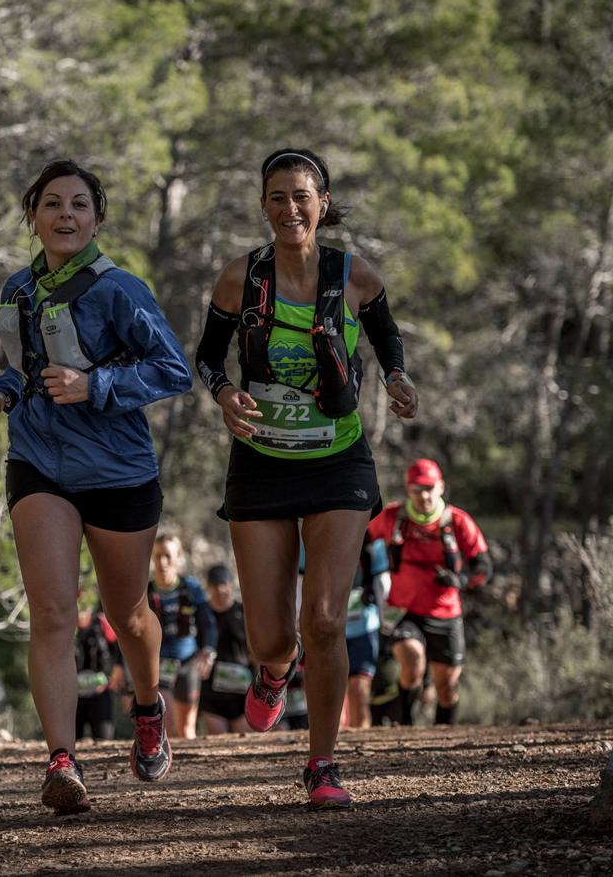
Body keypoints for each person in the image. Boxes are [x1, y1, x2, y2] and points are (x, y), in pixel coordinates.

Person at [193, 147, 418, 809]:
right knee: (273, 635)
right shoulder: (241, 278)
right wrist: (223, 393)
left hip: (338, 462)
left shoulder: (354, 276)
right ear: (263, 207)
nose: (290, 208)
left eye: (302, 196)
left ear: (322, 202)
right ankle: (273, 672)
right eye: (277, 197)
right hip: (261, 461)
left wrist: (398, 380)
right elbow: (208, 357)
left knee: (324, 619)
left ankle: (322, 763)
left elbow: (388, 344)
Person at [0, 159, 192, 815]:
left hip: (120, 470)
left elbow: (173, 370)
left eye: (79, 205)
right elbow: (26, 368)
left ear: (97, 218)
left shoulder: (121, 290)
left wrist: (95, 387)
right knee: (55, 612)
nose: (66, 215)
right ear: (32, 215)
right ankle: (62, 758)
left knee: (128, 616)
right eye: (52, 204)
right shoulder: (18, 287)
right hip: (39, 463)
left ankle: (147, 708)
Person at [367, 458, 491, 726]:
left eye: (429, 488)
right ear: (407, 489)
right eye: (416, 488)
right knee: (412, 663)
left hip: (446, 614)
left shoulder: (457, 522)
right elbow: (360, 539)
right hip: (404, 611)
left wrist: (461, 580)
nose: (423, 495)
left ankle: (442, 734)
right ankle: (406, 725)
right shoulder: (392, 518)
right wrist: (364, 582)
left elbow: (483, 566)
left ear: (441, 487)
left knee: (446, 688)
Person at [148, 535, 217, 739]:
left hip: (188, 662)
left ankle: (189, 769)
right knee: (167, 723)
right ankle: (166, 765)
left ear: (178, 558)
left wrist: (209, 650)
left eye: (168, 556)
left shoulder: (191, 587)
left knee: (186, 729)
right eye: (158, 556)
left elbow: (208, 622)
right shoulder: (147, 591)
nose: (162, 562)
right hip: (159, 664)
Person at [343, 539, 390, 729]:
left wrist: (384, 617)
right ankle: (330, 750)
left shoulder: (372, 541)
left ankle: (359, 749)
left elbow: (383, 583)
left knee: (359, 690)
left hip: (363, 627)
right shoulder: (314, 532)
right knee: (331, 695)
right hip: (326, 631)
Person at [200, 564, 252, 735]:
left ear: (231, 585)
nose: (220, 590)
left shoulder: (244, 612)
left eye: (224, 584)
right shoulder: (201, 613)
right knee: (218, 743)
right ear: (208, 587)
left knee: (243, 743)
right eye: (215, 585)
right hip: (211, 695)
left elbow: (255, 651)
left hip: (242, 693)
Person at [74, 603, 117, 741]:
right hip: (73, 695)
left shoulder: (104, 623)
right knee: (70, 742)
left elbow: (119, 651)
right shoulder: (64, 626)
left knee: (104, 740)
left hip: (101, 692)